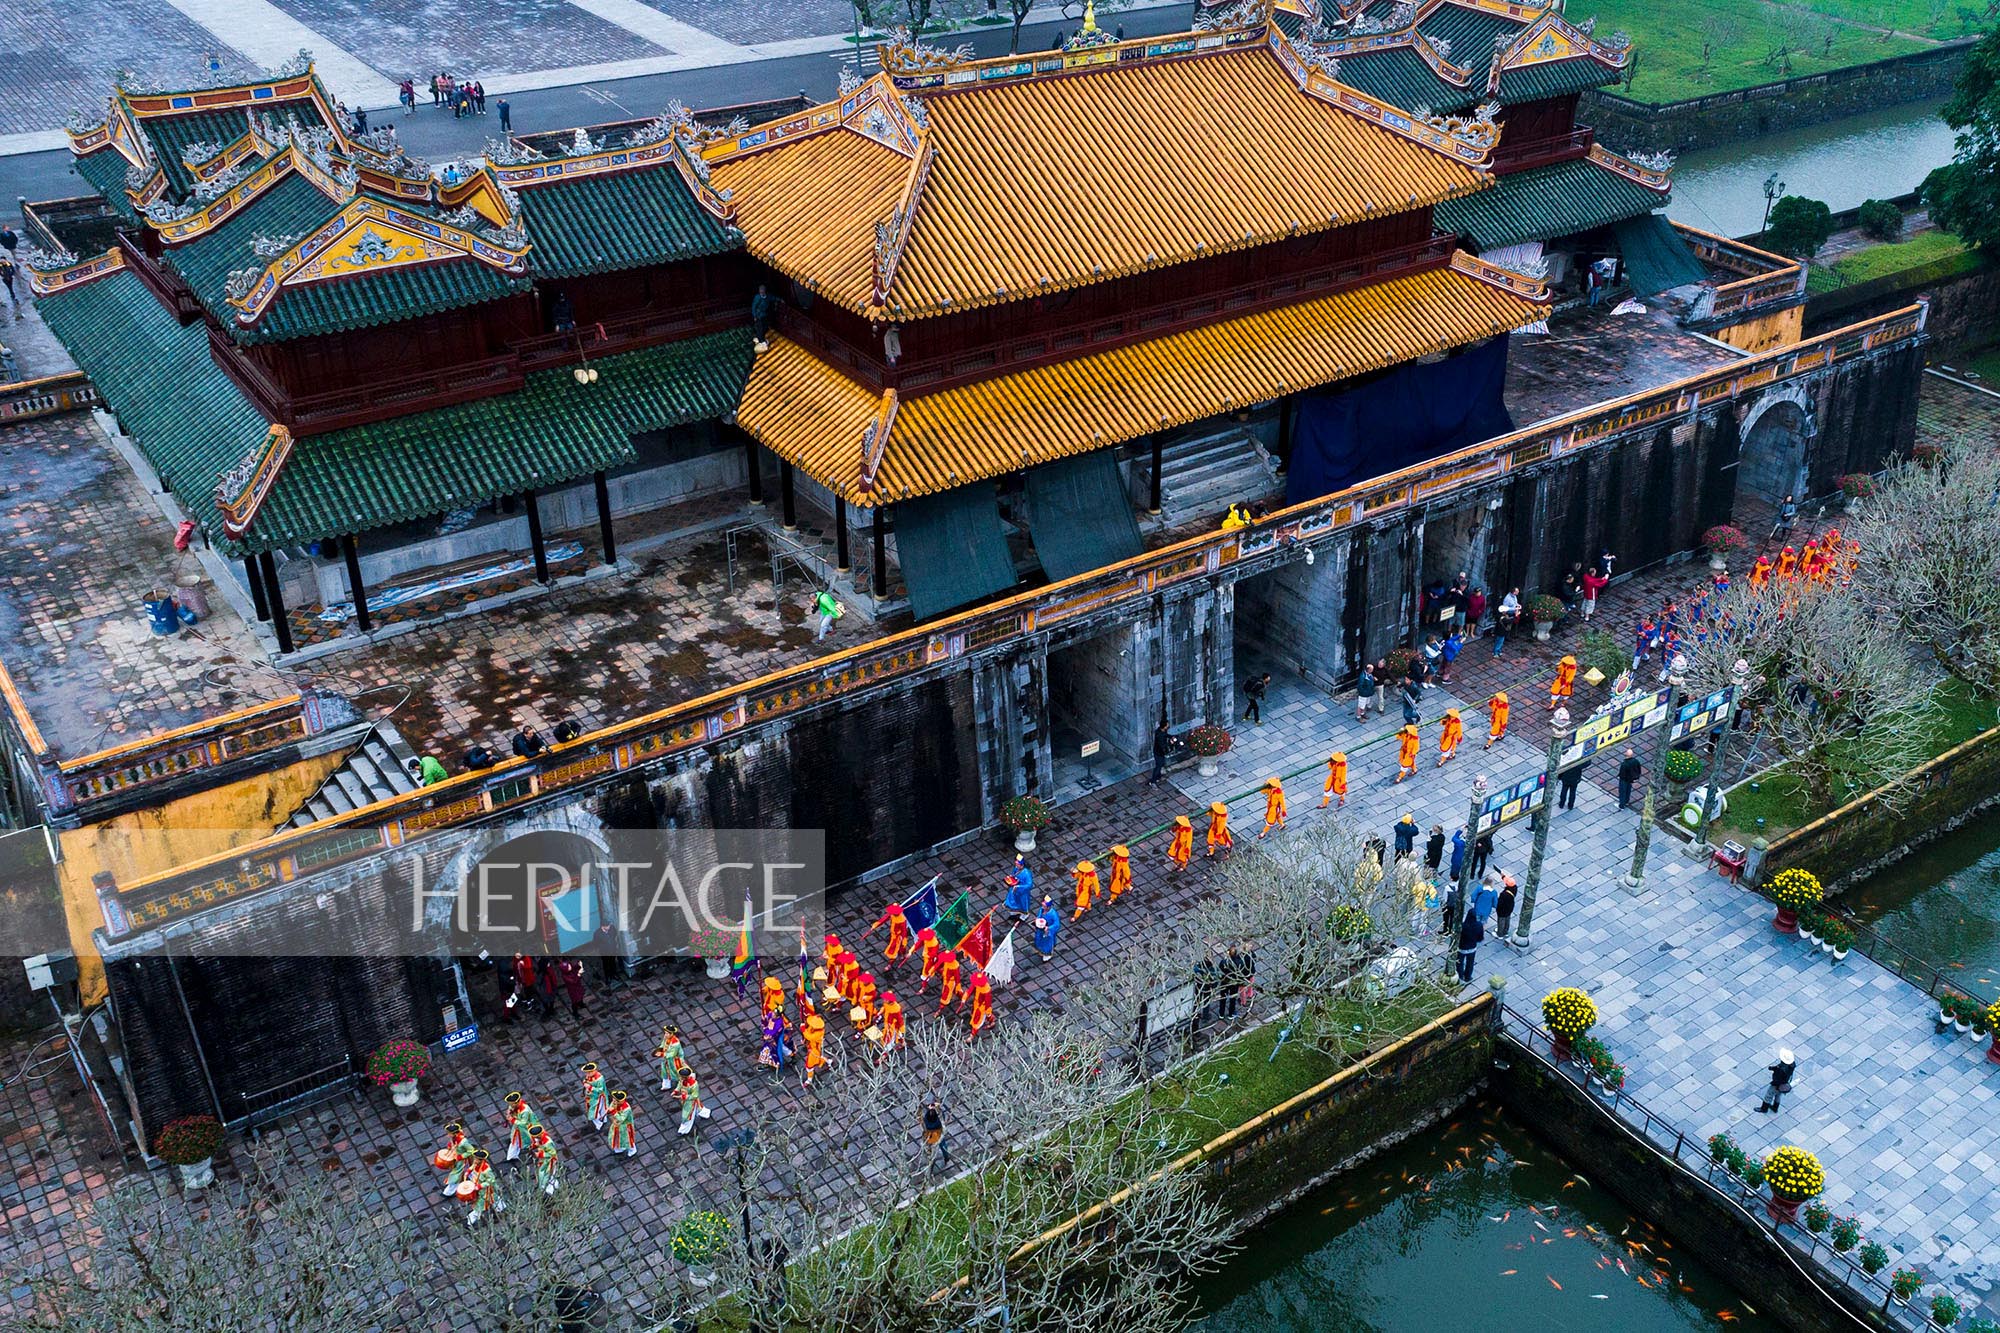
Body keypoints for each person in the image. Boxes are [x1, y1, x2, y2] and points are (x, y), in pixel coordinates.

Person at [674, 1068, 712, 1135]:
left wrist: (682, 1097)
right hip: (686, 1100)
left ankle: (683, 1130)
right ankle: (705, 1113)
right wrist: (676, 1091)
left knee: (687, 1115)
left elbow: (695, 1095)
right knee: (698, 1108)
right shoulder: (682, 1080)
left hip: (690, 1101)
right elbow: (680, 1084)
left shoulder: (694, 1085)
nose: (680, 1077)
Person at [1757, 1048, 1797, 1112]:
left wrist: (1774, 1084)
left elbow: (1777, 1078)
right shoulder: (1792, 1064)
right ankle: (1775, 1107)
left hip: (1777, 1084)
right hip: (1784, 1083)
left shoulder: (1781, 1069)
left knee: (1769, 1095)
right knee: (1778, 1095)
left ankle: (1764, 1108)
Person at [1455, 905, 1484, 983]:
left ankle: (1460, 976)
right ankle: (1468, 976)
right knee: (1470, 963)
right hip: (1472, 947)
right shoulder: (1479, 925)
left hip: (1462, 947)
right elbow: (1480, 938)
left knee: (1459, 963)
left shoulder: (1463, 926)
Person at [922, 1096, 950, 1170]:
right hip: (937, 1133)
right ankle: (945, 1157)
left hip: (931, 1134)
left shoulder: (927, 1118)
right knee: (942, 1146)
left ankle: (932, 1163)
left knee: (933, 1150)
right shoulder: (938, 1117)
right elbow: (941, 1118)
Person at [1494, 589, 1521, 655]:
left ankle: (1498, 651)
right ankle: (1496, 653)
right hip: (1501, 632)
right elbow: (1509, 620)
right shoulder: (1503, 618)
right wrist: (1516, 615)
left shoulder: (1500, 615)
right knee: (1499, 642)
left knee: (1499, 641)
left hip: (1500, 631)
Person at [1494, 874, 1518, 938]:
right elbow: (1507, 880)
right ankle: (1505, 931)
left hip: (1503, 910)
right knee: (1507, 919)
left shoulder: (1504, 894)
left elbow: (1500, 903)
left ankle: (1500, 934)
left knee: (1501, 920)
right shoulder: (1515, 888)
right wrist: (1503, 876)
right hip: (1510, 907)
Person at [1150, 719, 1174, 783]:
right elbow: (1162, 745)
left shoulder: (1161, 730)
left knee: (1161, 764)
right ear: (1164, 726)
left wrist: (1170, 736)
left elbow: (1165, 735)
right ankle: (1153, 781)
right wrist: (1170, 743)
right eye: (1167, 724)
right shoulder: (1160, 735)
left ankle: (1158, 777)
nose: (1168, 725)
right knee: (1158, 766)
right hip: (1158, 753)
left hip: (1160, 752)